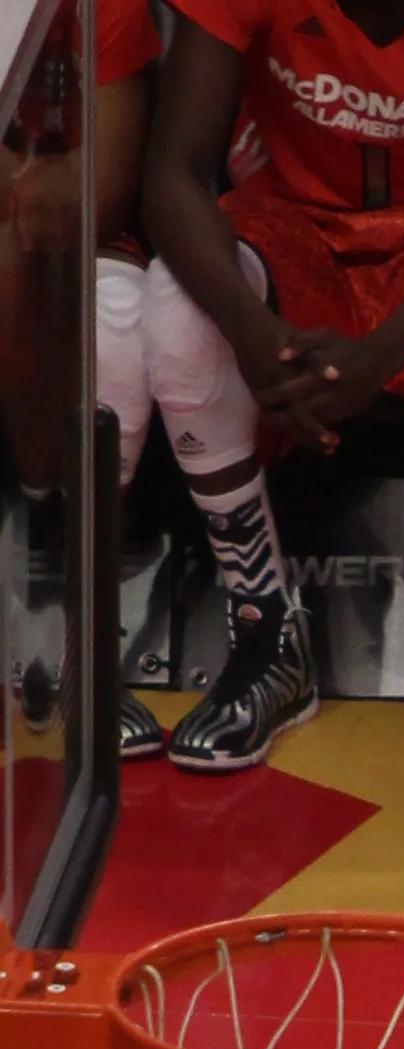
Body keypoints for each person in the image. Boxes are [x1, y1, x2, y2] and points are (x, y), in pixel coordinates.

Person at [139, 0, 404, 779]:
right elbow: (170, 174)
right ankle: (266, 632)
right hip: (293, 225)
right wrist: (251, 334)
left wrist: (381, 355)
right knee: (171, 303)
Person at [0, 0, 159, 757]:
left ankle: (84, 645)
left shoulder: (107, 8)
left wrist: (39, 201)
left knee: (118, 318)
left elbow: (107, 189)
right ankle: (33, 511)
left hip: (84, 242)